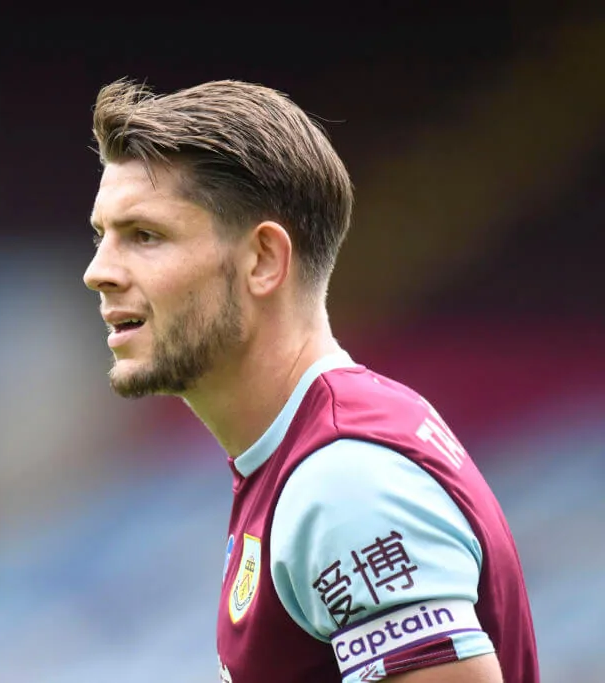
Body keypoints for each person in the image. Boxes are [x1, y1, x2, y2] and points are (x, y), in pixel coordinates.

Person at [82, 79, 539, 683]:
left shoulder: (344, 482)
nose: (98, 272)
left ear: (264, 260)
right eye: (101, 236)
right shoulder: (310, 451)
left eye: (145, 236)